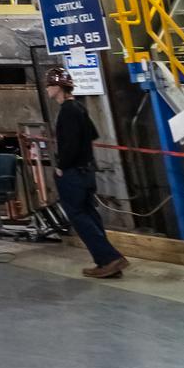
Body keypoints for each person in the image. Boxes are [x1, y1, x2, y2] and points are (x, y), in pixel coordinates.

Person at [49, 66, 128, 278]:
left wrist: (61, 166)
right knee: (90, 215)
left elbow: (70, 145)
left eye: (50, 84)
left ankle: (110, 258)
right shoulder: (80, 108)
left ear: (58, 87)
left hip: (72, 173)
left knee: (79, 217)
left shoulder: (67, 111)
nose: (47, 89)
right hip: (87, 171)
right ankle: (105, 262)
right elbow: (92, 134)